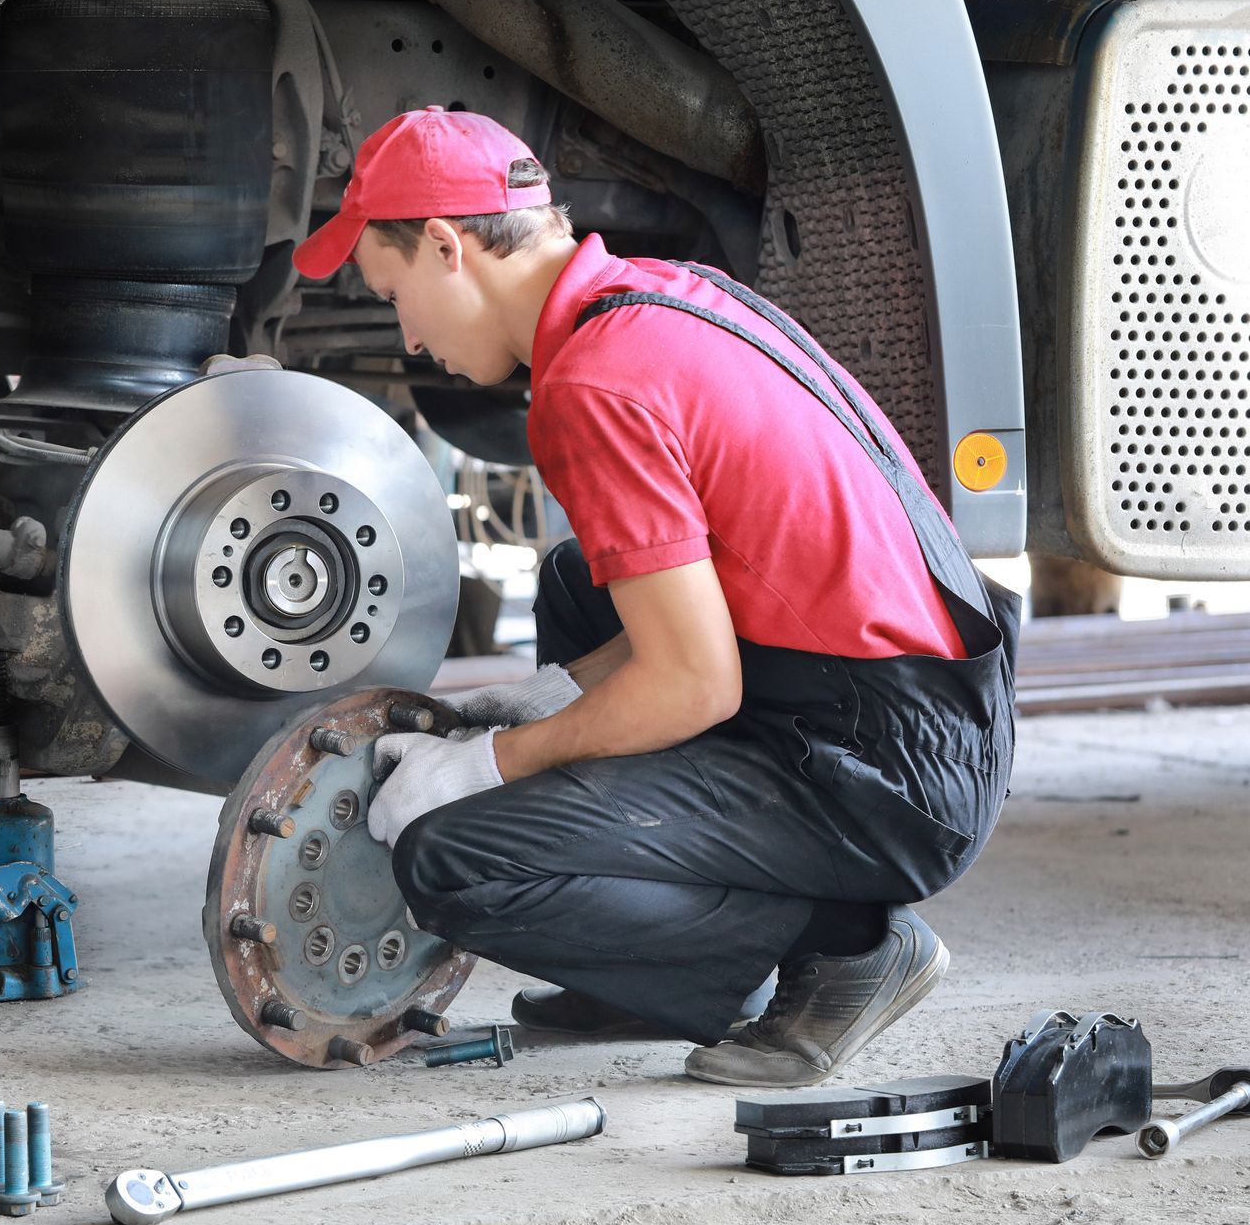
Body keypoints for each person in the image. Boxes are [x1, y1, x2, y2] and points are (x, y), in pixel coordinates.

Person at [292, 106, 1018, 1087]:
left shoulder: (595, 381)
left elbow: (694, 684)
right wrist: (531, 705)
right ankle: (641, 967)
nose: (410, 338)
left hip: (882, 767)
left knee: (453, 857)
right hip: (924, 702)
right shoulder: (659, 296)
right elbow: (688, 623)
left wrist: (488, 766)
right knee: (575, 581)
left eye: (396, 295)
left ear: (445, 245)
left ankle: (847, 944)